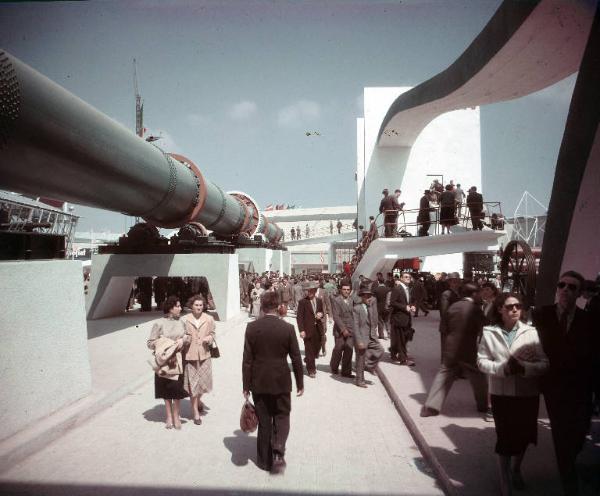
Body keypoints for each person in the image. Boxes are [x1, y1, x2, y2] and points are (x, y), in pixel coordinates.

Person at [478, 293, 549, 495]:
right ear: (500, 309)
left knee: (524, 436)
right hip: (502, 394)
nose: (515, 310)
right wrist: (502, 368)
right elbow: (481, 361)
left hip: (527, 394)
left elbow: (545, 363)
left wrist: (524, 367)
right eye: (509, 307)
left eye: (518, 306)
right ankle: (504, 479)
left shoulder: (531, 332)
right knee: (505, 437)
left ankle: (516, 469)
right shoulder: (489, 332)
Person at [532, 270, 595, 496]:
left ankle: (571, 461)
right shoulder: (541, 314)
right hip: (554, 386)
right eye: (562, 285)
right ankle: (569, 482)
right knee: (561, 433)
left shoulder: (588, 320)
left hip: (581, 387)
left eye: (572, 287)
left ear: (579, 294)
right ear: (557, 289)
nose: (565, 290)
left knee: (579, 433)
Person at [242, 291, 304, 474]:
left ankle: (263, 461)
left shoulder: (252, 328)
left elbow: (247, 360)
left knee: (264, 421)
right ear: (278, 307)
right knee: (282, 416)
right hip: (281, 381)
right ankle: (278, 449)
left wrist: (246, 386)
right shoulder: (288, 328)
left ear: (262, 306)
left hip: (259, 382)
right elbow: (296, 359)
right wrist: (300, 382)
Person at [421, 283, 488, 417]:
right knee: (479, 377)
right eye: (479, 293)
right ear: (474, 294)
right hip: (468, 349)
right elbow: (485, 326)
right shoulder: (475, 309)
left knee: (444, 375)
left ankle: (431, 407)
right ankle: (483, 405)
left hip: (450, 347)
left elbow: (444, 327)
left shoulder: (453, 306)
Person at [147, 296, 189, 429]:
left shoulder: (182, 322)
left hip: (178, 360)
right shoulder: (159, 324)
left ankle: (176, 416)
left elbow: (188, 337)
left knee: (176, 389)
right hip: (164, 361)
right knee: (165, 389)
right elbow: (150, 343)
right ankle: (169, 416)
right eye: (178, 306)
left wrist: (183, 340)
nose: (180, 308)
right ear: (171, 308)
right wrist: (165, 343)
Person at [181, 295, 215, 425]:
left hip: (205, 355)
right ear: (191, 306)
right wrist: (185, 338)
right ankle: (195, 412)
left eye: (201, 305)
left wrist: (210, 338)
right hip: (190, 355)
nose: (199, 307)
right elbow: (181, 334)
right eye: (196, 305)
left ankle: (199, 400)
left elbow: (213, 333)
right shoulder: (185, 320)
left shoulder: (209, 319)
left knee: (205, 384)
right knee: (193, 384)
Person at [352, 282, 384, 387]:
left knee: (380, 350)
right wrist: (359, 341)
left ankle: (369, 366)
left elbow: (374, 321)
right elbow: (355, 326)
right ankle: (359, 380)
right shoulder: (357, 308)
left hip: (371, 336)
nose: (368, 297)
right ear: (361, 297)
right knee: (360, 359)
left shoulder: (370, 307)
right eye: (365, 295)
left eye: (369, 295)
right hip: (361, 337)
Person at [296, 281, 326, 377]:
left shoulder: (319, 301)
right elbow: (299, 317)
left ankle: (309, 359)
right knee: (309, 350)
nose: (310, 293)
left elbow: (322, 312)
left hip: (318, 329)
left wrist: (321, 314)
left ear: (315, 291)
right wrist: (301, 330)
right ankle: (311, 370)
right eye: (308, 291)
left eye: (312, 291)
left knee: (316, 349)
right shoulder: (302, 302)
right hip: (307, 330)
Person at [389, 270, 416, 366]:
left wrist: (412, 306)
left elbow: (409, 301)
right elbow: (392, 302)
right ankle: (403, 359)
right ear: (401, 278)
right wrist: (405, 307)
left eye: (409, 277)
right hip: (399, 318)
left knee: (405, 337)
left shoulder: (408, 289)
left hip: (406, 318)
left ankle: (394, 352)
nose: (408, 278)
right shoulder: (397, 289)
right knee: (401, 339)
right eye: (405, 277)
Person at [330, 281, 355, 377]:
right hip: (340, 331)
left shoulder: (352, 300)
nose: (346, 291)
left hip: (351, 330)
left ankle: (346, 371)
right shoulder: (336, 300)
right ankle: (334, 366)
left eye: (348, 290)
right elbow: (336, 316)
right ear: (341, 290)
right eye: (344, 289)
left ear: (350, 291)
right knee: (338, 350)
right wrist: (343, 329)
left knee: (349, 350)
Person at [438, 272, 461, 360]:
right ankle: (445, 367)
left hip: (457, 325)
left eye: (457, 281)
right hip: (448, 325)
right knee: (446, 348)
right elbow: (444, 312)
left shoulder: (459, 293)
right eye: (453, 281)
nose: (456, 284)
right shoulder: (446, 294)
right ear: (449, 283)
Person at [372, 273, 390, 339]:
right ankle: (389, 333)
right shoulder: (388, 289)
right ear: (384, 282)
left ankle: (381, 335)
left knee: (380, 322)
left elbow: (373, 299)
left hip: (379, 308)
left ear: (378, 282)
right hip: (387, 308)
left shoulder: (376, 290)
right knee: (387, 321)